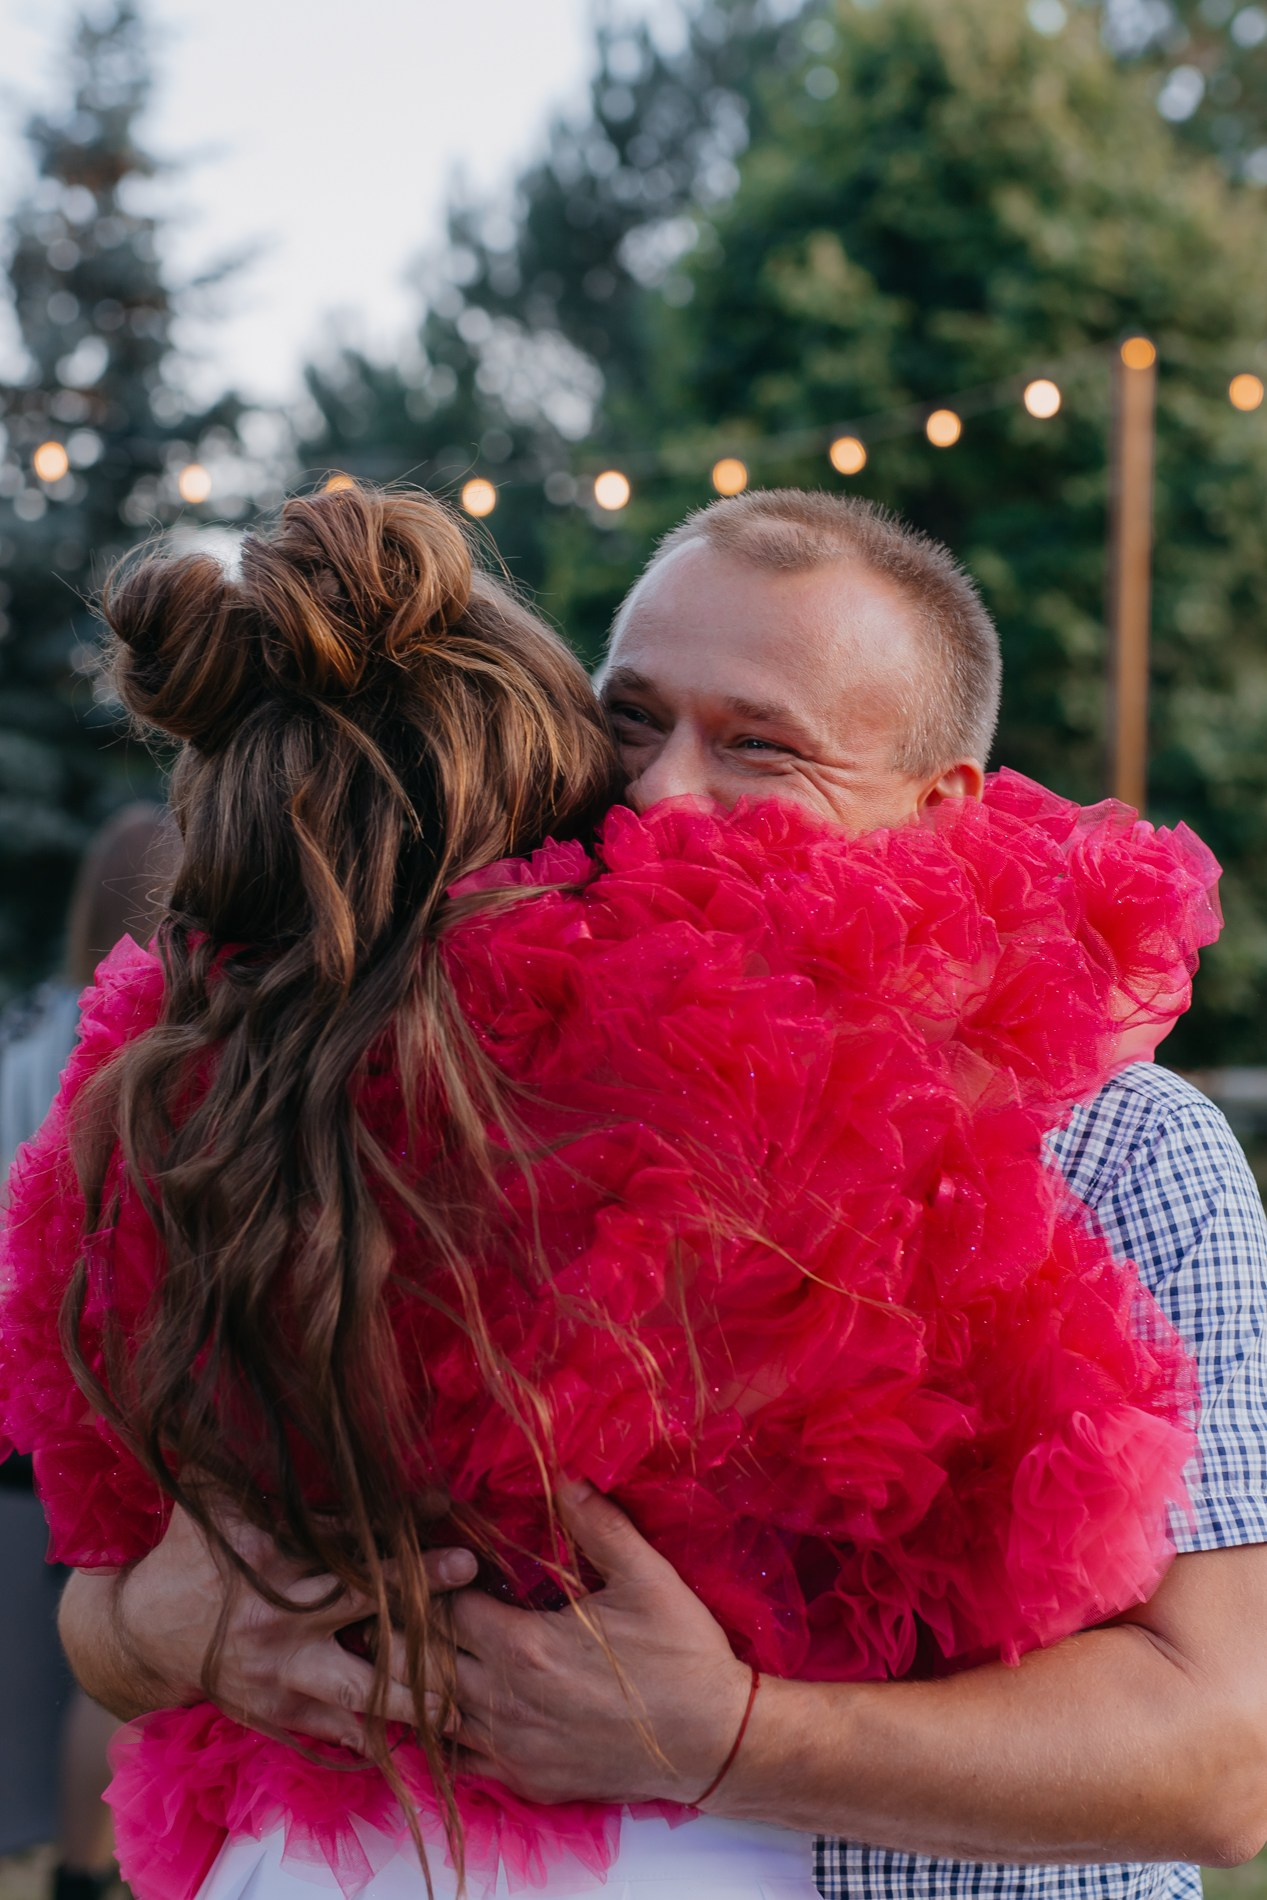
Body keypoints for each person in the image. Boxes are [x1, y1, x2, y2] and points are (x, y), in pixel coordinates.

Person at [33, 489, 1265, 1900]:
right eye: (629, 719)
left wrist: (728, 1739)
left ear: (934, 812)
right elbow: (115, 1599)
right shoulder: (420, 1048)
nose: (664, 790)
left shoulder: (1110, 1147)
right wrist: (164, 1630)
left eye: (758, 746)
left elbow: (1220, 1758)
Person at [0, 801, 177, 1900]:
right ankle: (83, 1872)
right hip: (98, 1376)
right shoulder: (142, 1031)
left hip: (14, 1376)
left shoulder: (26, 1026)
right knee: (103, 1659)